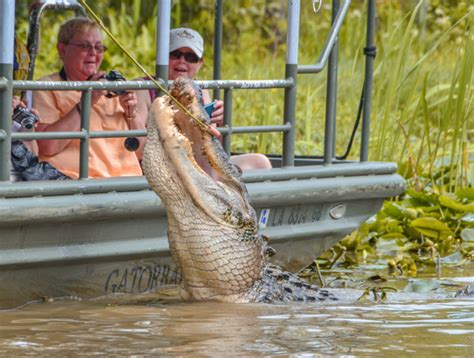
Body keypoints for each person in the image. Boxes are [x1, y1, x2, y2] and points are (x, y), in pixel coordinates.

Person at [136, 27, 272, 171]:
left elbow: (214, 147)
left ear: (200, 63)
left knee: (260, 162)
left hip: (199, 163)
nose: (182, 61)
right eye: (175, 54)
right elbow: (139, 148)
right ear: (162, 56)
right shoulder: (144, 88)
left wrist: (220, 122)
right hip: (165, 165)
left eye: (191, 57)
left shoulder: (201, 90)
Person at [32, 17, 143, 179]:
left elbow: (141, 152)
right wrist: (87, 102)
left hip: (126, 180)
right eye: (85, 46)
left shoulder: (112, 86)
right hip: (78, 182)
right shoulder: (46, 87)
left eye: (99, 48)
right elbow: (48, 147)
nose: (93, 53)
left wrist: (131, 113)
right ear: (62, 50)